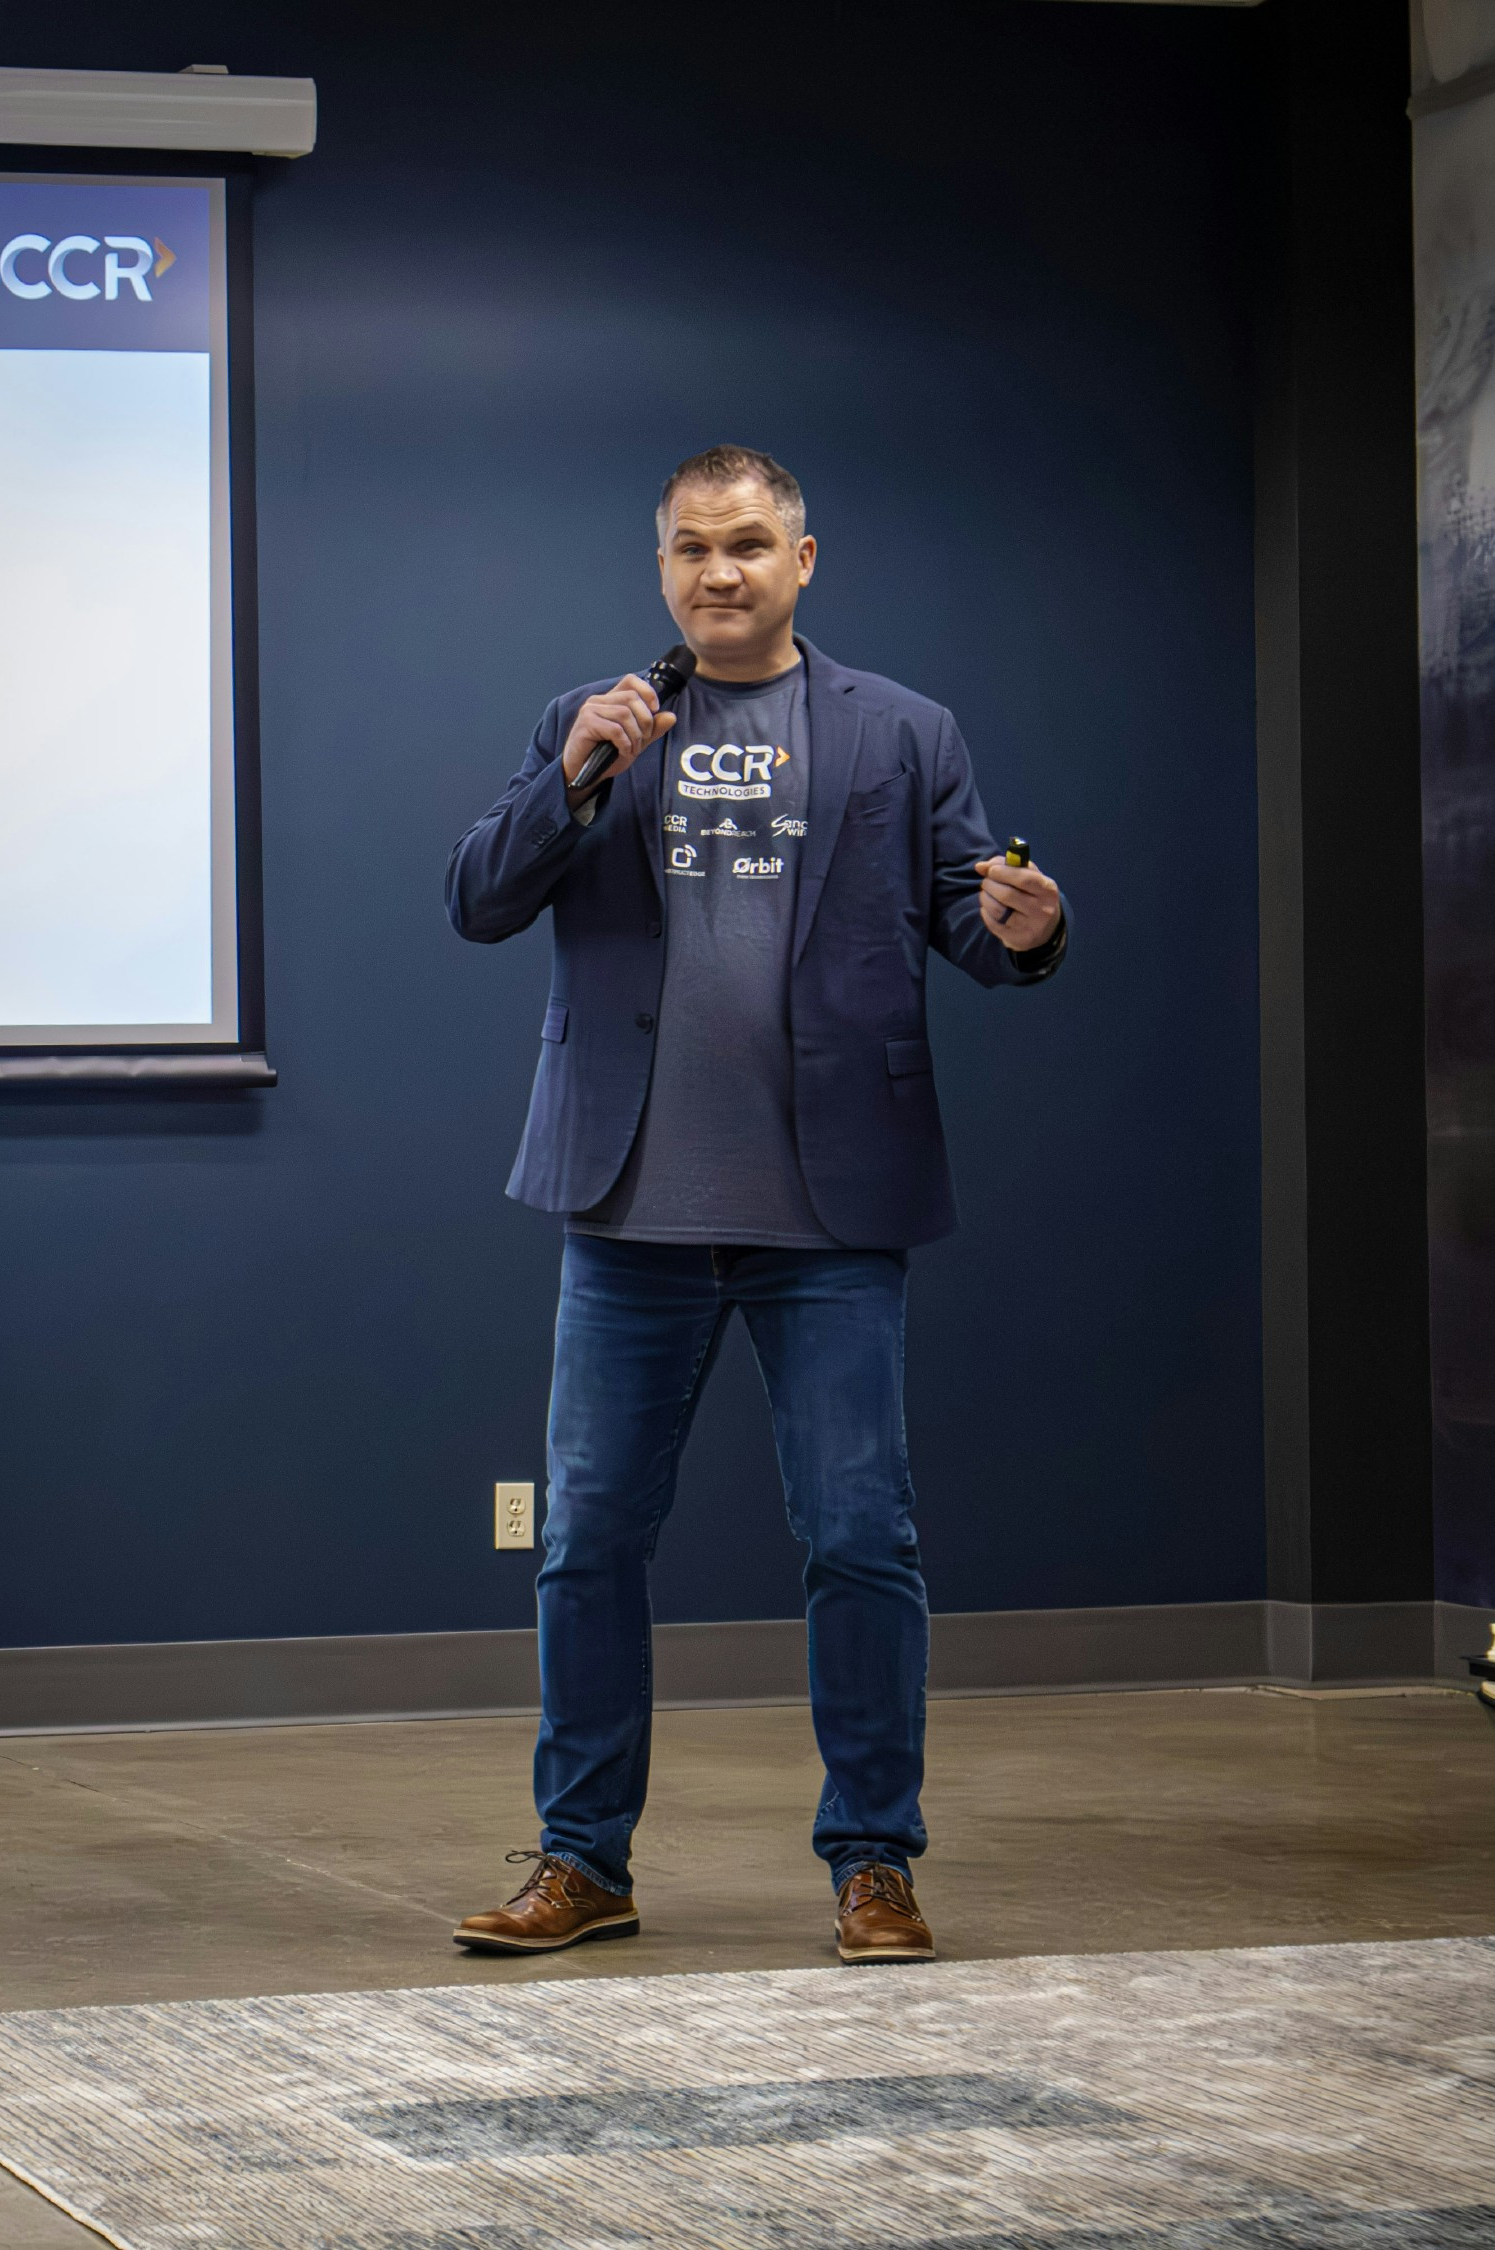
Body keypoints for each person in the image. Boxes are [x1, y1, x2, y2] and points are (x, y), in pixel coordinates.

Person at [444, 444, 1066, 1965]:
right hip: (629, 1209)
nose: (716, 572)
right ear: (661, 566)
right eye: (687, 549)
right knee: (588, 1537)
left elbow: (966, 919)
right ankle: (584, 1859)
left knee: (862, 1533)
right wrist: (573, 772)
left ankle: (875, 1860)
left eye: (746, 544)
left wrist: (1026, 930)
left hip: (829, 1219)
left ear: (803, 559)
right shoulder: (595, 721)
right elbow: (478, 897)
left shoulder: (900, 732)